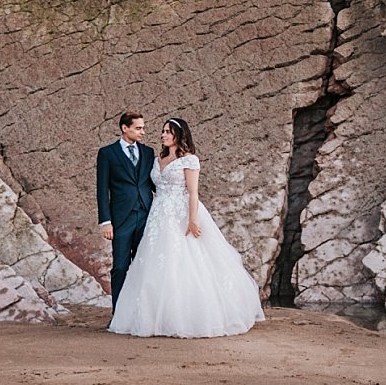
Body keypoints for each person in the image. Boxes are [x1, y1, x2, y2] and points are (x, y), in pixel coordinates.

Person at [109, 117, 265, 338]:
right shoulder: (157, 159)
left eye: (168, 132)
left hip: (181, 213)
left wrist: (192, 220)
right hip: (158, 215)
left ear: (178, 135)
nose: (163, 135)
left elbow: (193, 192)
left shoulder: (189, 160)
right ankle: (154, 317)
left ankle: (188, 316)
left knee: (185, 261)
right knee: (153, 264)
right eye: (162, 131)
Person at [97, 110, 156, 311]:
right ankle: (119, 313)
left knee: (143, 265)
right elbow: (102, 189)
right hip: (121, 218)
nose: (143, 132)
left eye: (143, 128)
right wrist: (106, 221)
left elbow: (154, 183)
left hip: (146, 216)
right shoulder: (107, 153)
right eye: (138, 128)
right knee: (120, 267)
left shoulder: (148, 153)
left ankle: (141, 312)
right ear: (125, 128)